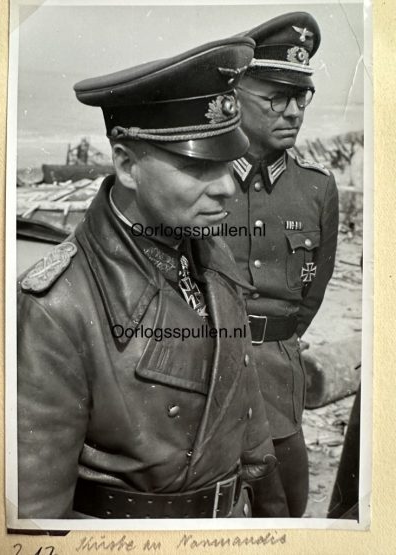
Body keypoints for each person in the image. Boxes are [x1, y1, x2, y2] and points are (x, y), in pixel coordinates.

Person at [17, 37, 289, 519]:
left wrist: (274, 522)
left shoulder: (212, 256)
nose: (227, 187)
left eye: (228, 162)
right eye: (198, 165)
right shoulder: (58, 304)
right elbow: (35, 513)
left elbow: (245, 412)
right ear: (126, 165)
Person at [224, 12, 339, 516]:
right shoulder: (198, 184)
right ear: (236, 94)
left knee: (286, 512)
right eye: (275, 96)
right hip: (206, 375)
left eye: (301, 97)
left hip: (278, 380)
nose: (293, 111)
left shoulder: (316, 189)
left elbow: (312, 290)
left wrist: (277, 338)